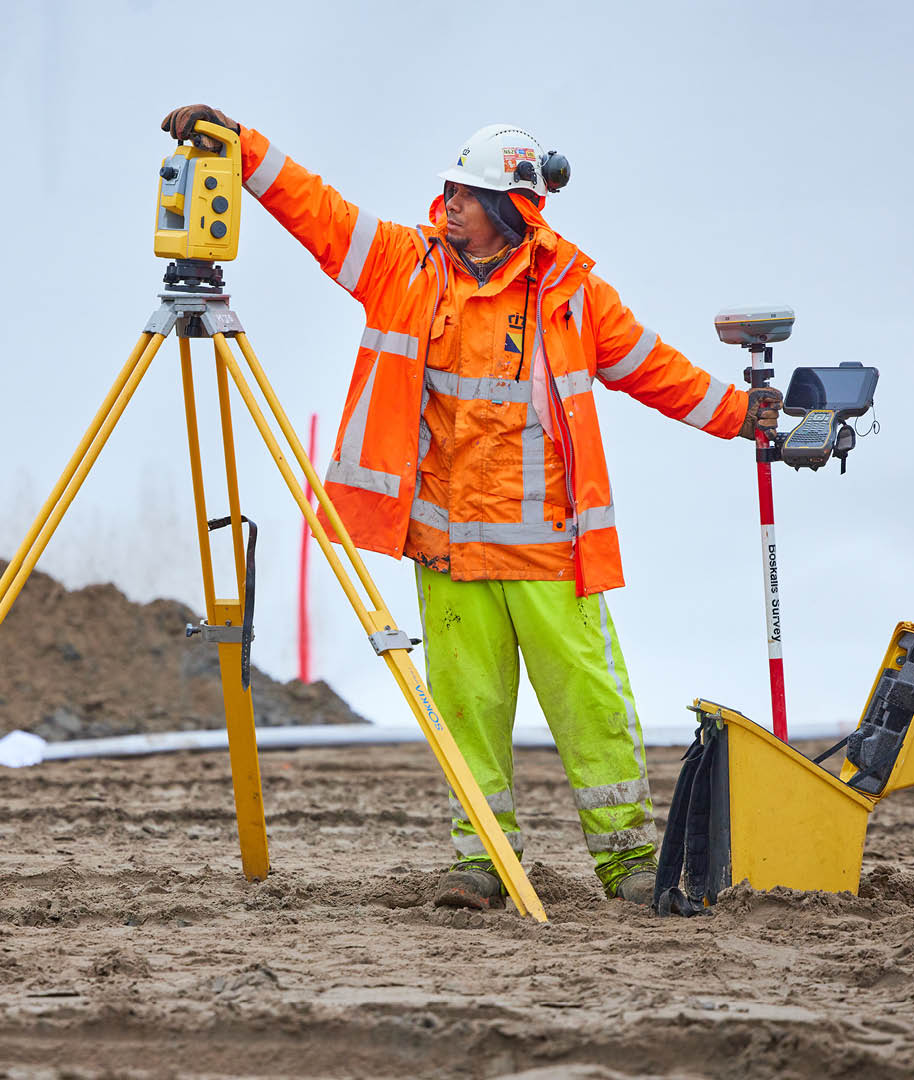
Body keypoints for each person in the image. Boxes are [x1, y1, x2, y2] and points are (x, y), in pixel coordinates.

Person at [162, 106, 783, 909]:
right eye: (450, 190)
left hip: (548, 551)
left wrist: (738, 415)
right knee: (466, 711)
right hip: (448, 549)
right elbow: (317, 210)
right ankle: (482, 862)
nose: (450, 204)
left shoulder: (573, 292)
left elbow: (653, 367)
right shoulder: (403, 267)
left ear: (513, 207)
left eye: (469, 193)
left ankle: (628, 864)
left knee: (590, 705)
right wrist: (243, 148)